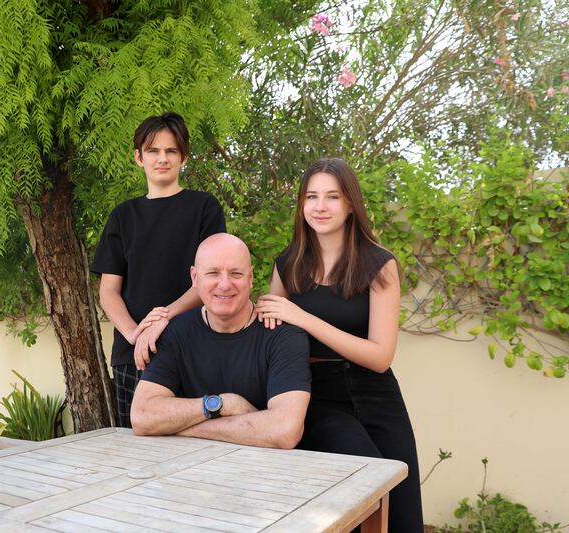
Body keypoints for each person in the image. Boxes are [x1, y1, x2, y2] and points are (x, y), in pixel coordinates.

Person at [255, 157, 423, 531]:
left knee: (402, 510)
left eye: (332, 196)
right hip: (316, 396)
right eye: (311, 196)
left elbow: (380, 356)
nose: (320, 206)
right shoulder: (287, 266)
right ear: (301, 205)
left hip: (377, 394)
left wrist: (304, 318)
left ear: (350, 205)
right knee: (362, 488)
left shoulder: (379, 265)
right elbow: (269, 335)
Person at [91, 112, 226, 428]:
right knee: (138, 452)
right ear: (138, 157)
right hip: (135, 355)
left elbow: (210, 280)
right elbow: (108, 292)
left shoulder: (204, 208)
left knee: (200, 447)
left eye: (171, 151)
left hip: (192, 347)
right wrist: (136, 333)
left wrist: (162, 318)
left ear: (184, 157)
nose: (162, 159)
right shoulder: (123, 217)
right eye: (153, 150)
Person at [131, 233, 311, 449]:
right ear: (195, 278)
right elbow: (142, 417)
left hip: (267, 472)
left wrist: (182, 427)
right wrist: (222, 404)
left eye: (236, 273)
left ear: (251, 278)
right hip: (187, 466)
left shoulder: (284, 336)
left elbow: (284, 431)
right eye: (213, 273)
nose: (224, 285)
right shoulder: (174, 333)